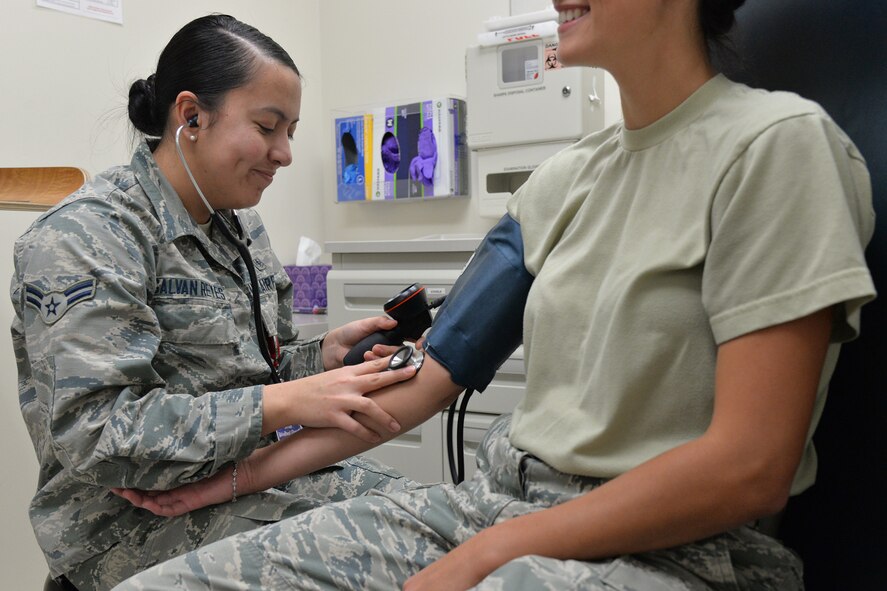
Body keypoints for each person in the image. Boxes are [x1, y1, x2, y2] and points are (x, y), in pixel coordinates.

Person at [113, 1, 876, 589]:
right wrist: (233, 478)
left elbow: (750, 465)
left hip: (676, 551)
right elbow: (416, 389)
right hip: (490, 503)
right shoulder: (562, 180)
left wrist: (498, 548)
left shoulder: (775, 145)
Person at [10, 14, 422, 591]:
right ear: (191, 116)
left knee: (424, 519)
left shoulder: (239, 228)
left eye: (291, 132)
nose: (284, 154)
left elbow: (256, 370)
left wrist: (321, 360)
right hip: (128, 528)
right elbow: (99, 434)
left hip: (247, 478)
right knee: (383, 559)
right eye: (267, 126)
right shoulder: (87, 237)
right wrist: (282, 404)